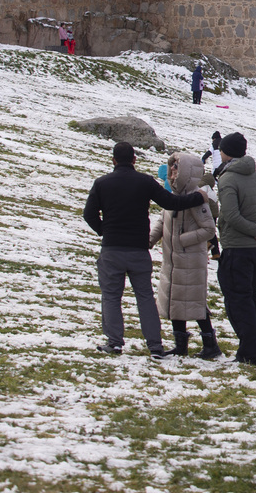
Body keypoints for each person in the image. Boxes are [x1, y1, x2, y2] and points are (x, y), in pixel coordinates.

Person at [83, 141, 208, 358]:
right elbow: (170, 203)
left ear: (113, 160)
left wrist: (104, 230)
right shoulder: (144, 182)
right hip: (138, 250)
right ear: (134, 160)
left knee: (111, 296)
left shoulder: (102, 183)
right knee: (144, 298)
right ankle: (155, 345)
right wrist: (198, 197)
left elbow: (89, 214)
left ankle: (114, 342)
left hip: (112, 249)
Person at [148, 152, 224, 359]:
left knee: (195, 302)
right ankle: (180, 344)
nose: (172, 172)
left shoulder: (197, 198)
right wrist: (149, 240)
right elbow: (163, 221)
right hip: (173, 259)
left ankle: (210, 344)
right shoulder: (172, 196)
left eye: (176, 168)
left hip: (189, 259)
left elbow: (209, 229)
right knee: (175, 299)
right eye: (172, 167)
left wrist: (181, 240)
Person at [215, 132, 256, 366]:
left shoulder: (228, 179)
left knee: (238, 301)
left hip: (236, 248)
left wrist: (255, 231)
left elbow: (230, 215)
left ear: (226, 152)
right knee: (252, 298)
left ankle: (248, 352)